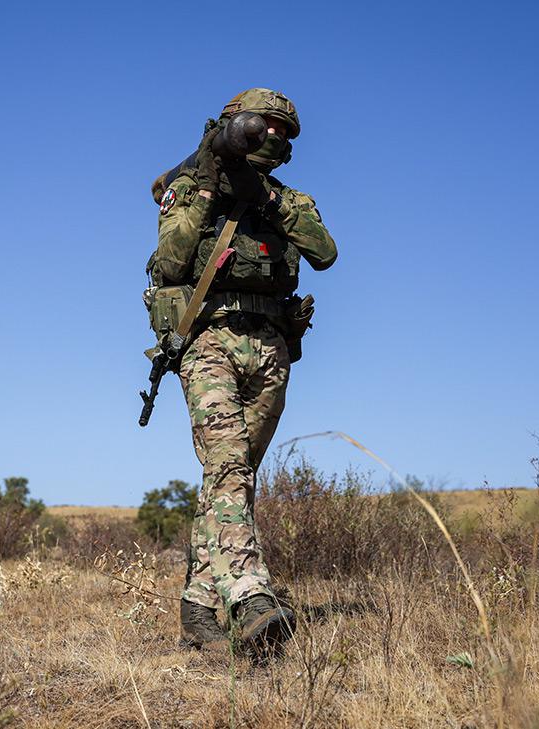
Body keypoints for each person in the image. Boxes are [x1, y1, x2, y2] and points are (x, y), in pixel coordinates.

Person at [150, 89, 337, 655]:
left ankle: (198, 606)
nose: (274, 136)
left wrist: (266, 199)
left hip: (273, 347)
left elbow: (324, 252)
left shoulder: (291, 199)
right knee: (228, 464)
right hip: (209, 339)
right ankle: (252, 594)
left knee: (233, 479)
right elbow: (171, 262)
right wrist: (210, 185)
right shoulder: (192, 186)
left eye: (285, 129)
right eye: (265, 126)